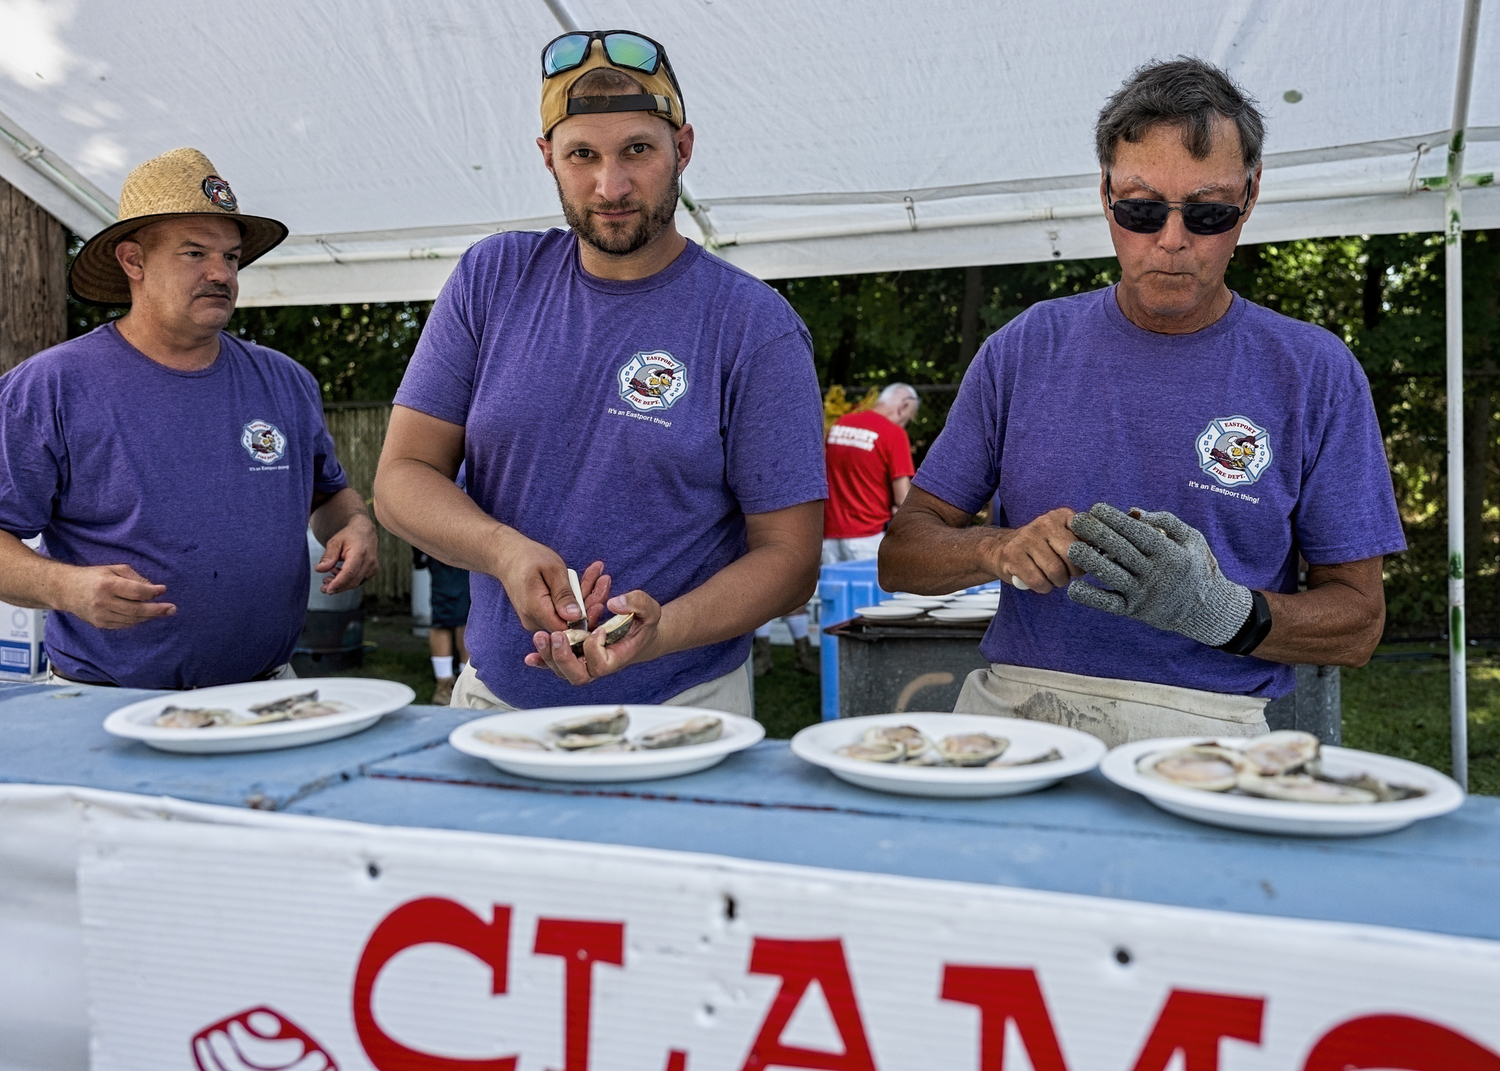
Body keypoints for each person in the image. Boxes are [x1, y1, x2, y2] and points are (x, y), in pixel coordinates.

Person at [880, 58, 1406, 747]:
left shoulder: (1312, 371)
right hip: (1022, 713)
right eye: (1141, 208)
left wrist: (1225, 614)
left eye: (1209, 211)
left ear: (1250, 197)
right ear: (1104, 194)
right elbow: (901, 556)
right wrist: (998, 547)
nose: (1172, 239)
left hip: (1210, 729)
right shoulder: (1026, 348)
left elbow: (1359, 624)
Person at [374, 29, 826, 715]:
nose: (610, 186)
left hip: (683, 709)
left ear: (684, 147)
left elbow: (790, 560)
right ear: (547, 156)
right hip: (491, 703)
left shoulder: (753, 326)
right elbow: (401, 479)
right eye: (582, 154)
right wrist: (502, 551)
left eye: (637, 150)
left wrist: (665, 628)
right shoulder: (491, 279)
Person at [0, 148, 379, 689]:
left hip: (267, 692)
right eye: (195, 252)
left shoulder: (285, 381)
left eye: (230, 256)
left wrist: (355, 525)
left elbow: (327, 495)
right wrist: (66, 588)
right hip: (104, 702)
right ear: (133, 262)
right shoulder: (51, 387)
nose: (221, 273)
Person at [823, 382, 919, 563]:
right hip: (868, 537)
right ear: (903, 406)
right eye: (908, 418)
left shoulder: (840, 423)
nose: (905, 424)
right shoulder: (894, 433)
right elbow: (903, 499)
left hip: (829, 536)